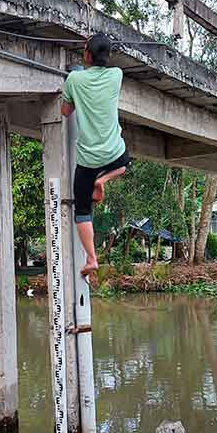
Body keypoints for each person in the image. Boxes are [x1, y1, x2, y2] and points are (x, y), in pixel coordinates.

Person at [61, 33, 129, 277]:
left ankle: (91, 258)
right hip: (114, 154)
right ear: (107, 56)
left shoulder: (74, 79)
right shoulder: (116, 75)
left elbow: (65, 111)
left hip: (88, 160)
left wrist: (75, 89)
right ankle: (103, 180)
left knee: (82, 211)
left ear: (86, 54)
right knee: (125, 164)